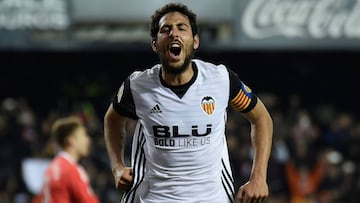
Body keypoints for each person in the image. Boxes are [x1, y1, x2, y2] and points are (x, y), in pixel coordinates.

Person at [104, 3, 273, 203]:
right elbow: (112, 119)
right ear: (155, 44)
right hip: (153, 198)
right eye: (165, 29)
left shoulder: (220, 79)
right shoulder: (138, 85)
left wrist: (259, 177)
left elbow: (261, 119)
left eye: (181, 28)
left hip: (213, 198)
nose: (174, 33)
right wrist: (117, 167)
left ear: (195, 41)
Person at [32, 116, 99, 203]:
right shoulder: (72, 171)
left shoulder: (50, 169)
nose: (88, 140)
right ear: (71, 141)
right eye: (83, 135)